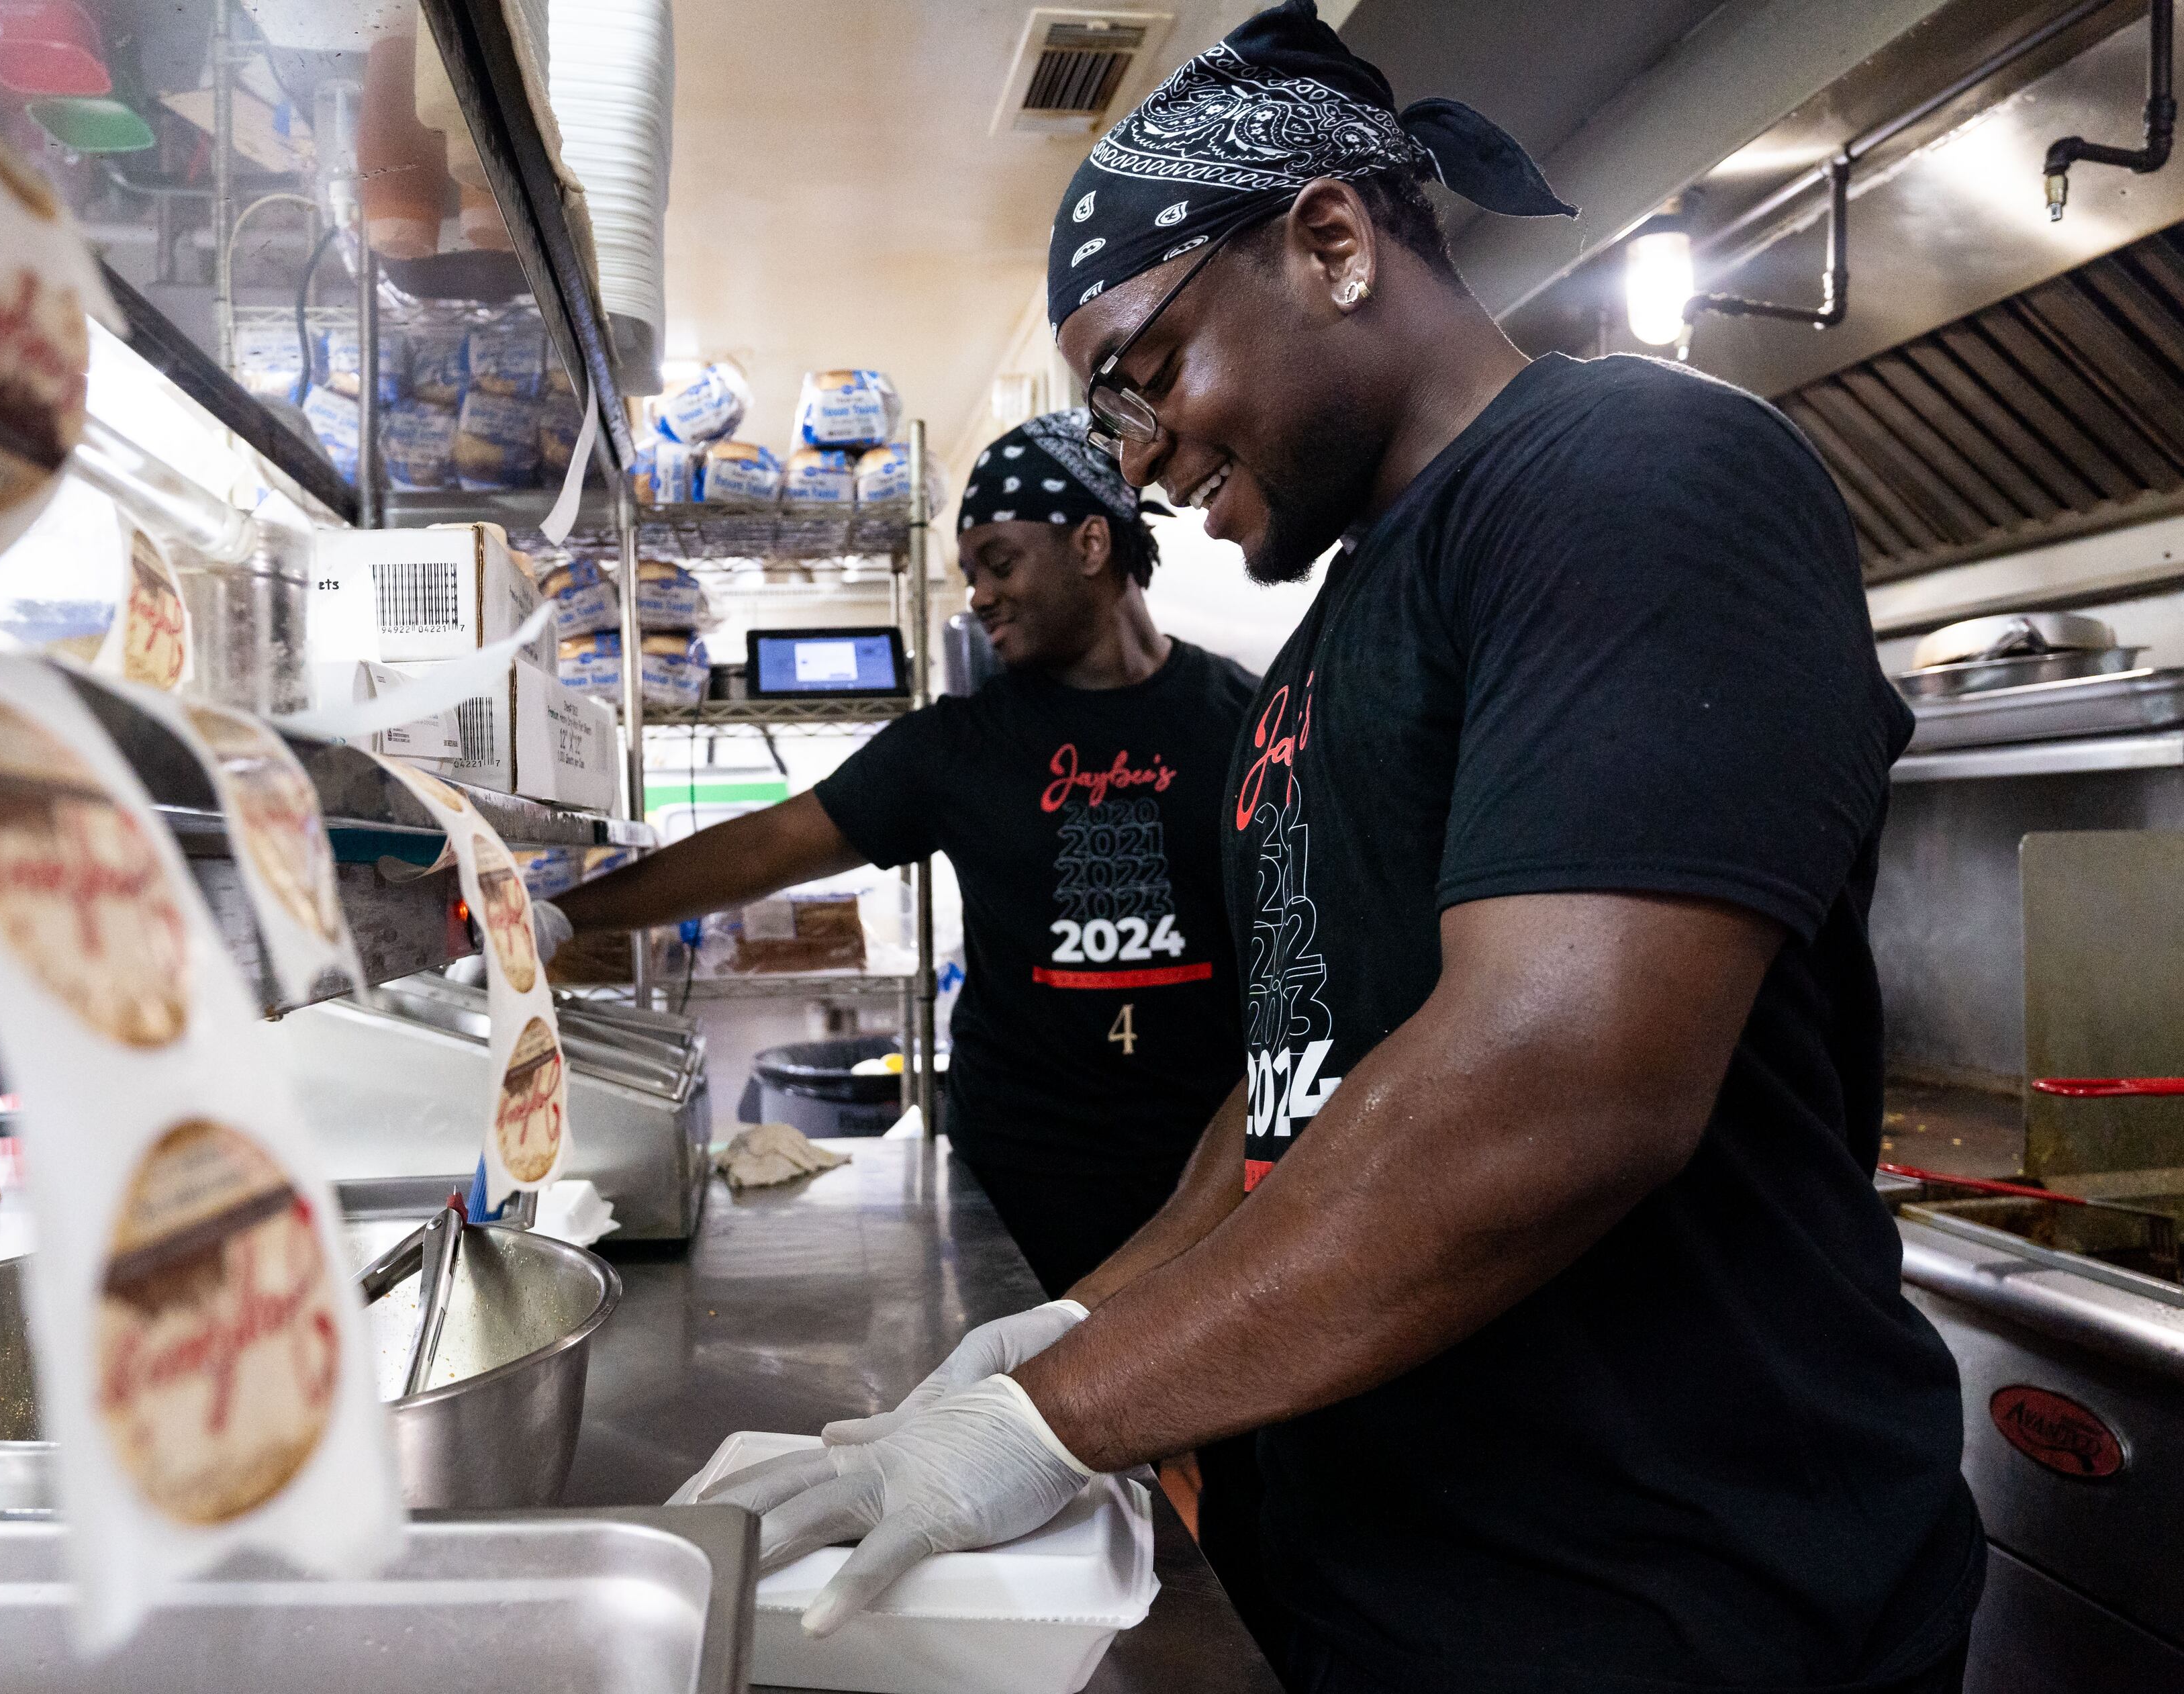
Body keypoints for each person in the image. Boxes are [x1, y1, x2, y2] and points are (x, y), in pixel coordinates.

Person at [702, 7, 1985, 1693]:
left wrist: (1058, 1413)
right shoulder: (1333, 637)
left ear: (1329, 241)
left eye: (1150, 376)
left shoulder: (1631, 479)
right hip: (1381, 1585)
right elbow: (1300, 1074)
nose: (1143, 464)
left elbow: (1557, 1082)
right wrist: (1088, 1321)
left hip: (1668, 1608)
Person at [551, 411, 1257, 1300]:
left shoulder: (1244, 720)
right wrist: (557, 917)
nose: (981, 596)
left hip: (1212, 1173)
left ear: (1089, 544)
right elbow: (765, 847)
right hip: (1020, 1182)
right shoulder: (959, 746)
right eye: (972, 575)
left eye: (1000, 563)